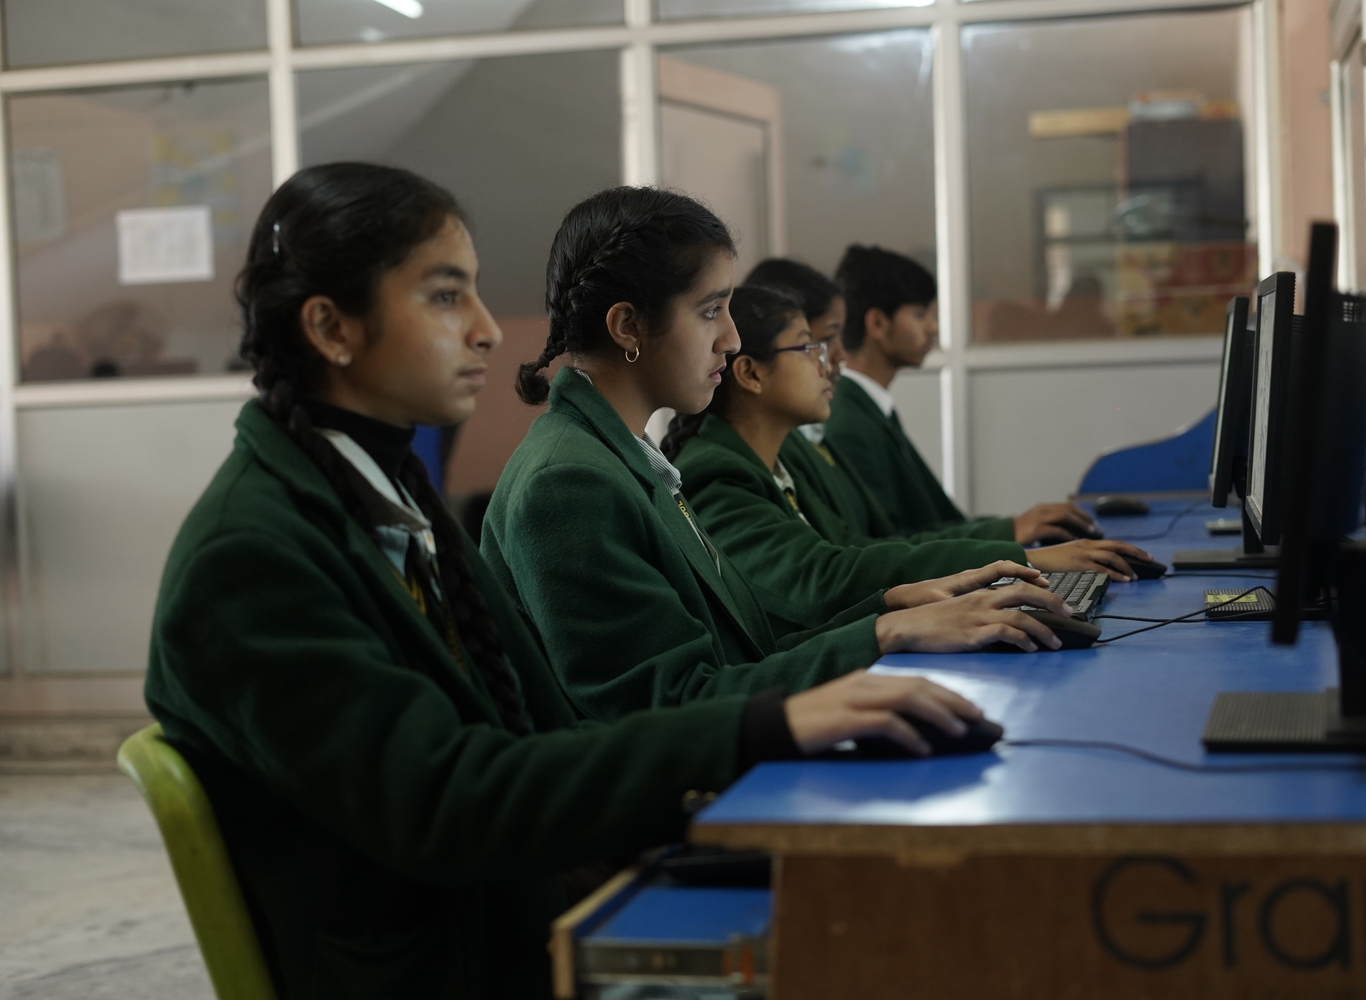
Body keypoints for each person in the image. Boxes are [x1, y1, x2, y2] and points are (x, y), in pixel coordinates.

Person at [145, 163, 999, 1000]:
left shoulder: (385, 489)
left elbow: (541, 723)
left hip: (516, 908)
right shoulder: (250, 558)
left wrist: (868, 638)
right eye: (446, 296)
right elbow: (454, 799)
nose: (485, 328)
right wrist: (771, 719)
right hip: (467, 956)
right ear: (332, 328)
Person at [483, 187, 1073, 725]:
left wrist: (895, 608)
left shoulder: (621, 457)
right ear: (628, 327)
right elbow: (664, 710)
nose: (732, 338)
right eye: (711, 310)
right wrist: (887, 632)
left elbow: (748, 655)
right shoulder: (569, 481)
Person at [664, 286, 1150, 632]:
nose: (829, 362)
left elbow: (857, 545)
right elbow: (822, 577)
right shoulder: (718, 471)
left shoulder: (783, 455)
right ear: (750, 373)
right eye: (810, 347)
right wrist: (1012, 559)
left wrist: (1003, 558)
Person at [746, 255, 1098, 546]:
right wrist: (1008, 538)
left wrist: (1011, 532)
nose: (835, 356)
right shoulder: (841, 424)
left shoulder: (850, 419)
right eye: (920, 314)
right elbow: (863, 550)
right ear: (878, 323)